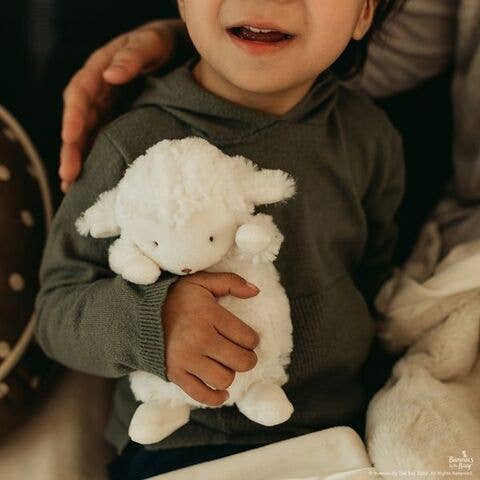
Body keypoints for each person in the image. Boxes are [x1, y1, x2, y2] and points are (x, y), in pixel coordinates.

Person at [35, 1, 404, 479]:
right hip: (183, 444)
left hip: (339, 437)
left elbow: (376, 278)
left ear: (364, 13)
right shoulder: (132, 144)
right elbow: (57, 310)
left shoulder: (370, 139)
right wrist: (152, 324)